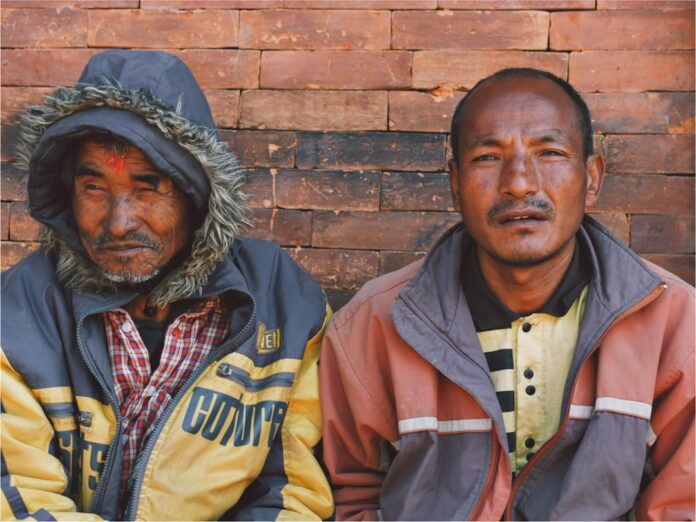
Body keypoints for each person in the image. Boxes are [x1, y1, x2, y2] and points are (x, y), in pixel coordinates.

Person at [320, 68, 695, 520]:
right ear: (455, 183)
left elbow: (682, 505)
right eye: (487, 157)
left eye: (549, 152)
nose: (518, 183)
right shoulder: (373, 324)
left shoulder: (674, 324)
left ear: (592, 178)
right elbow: (351, 497)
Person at [1, 50, 332, 521]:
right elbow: (17, 497)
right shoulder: (16, 311)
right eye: (93, 188)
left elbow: (293, 496)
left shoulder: (282, 302)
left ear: (197, 194)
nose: (119, 223)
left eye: (149, 187)